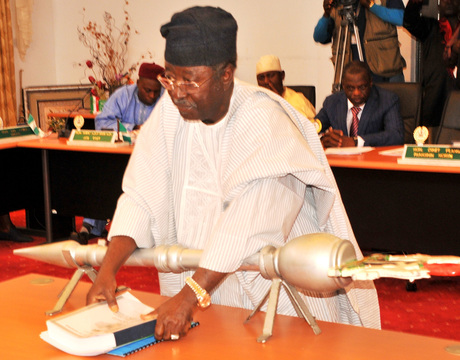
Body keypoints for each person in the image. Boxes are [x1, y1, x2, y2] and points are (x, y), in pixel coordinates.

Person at [87, 6, 380, 341]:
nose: (177, 91)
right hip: (204, 298)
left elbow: (249, 220)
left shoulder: (263, 118)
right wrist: (107, 270)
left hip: (278, 301)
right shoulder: (170, 111)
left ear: (226, 74)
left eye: (189, 80)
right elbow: (142, 193)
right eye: (170, 77)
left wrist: (188, 295)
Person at [71, 62, 165, 244]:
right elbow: (102, 123)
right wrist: (134, 128)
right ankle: (90, 227)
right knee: (102, 173)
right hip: (119, 156)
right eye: (147, 90)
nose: (152, 95)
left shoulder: (166, 99)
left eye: (156, 91)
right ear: (138, 83)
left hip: (152, 160)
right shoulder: (123, 95)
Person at [403, 0, 459, 141]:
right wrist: (415, 3)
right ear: (438, 6)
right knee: (432, 143)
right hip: (435, 97)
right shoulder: (431, 27)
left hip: (457, 94)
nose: (449, 2)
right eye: (445, 0)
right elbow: (409, 21)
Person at [313, 0, 406, 83]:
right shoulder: (339, 4)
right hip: (351, 78)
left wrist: (371, 5)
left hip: (385, 74)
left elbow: (402, 19)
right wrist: (326, 14)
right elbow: (319, 37)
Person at [317, 60, 404, 148]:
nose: (356, 93)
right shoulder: (332, 102)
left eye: (362, 87)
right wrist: (324, 139)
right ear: (343, 85)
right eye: (350, 88)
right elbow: (311, 129)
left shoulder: (387, 100)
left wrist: (356, 142)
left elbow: (396, 135)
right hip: (340, 159)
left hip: (371, 159)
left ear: (370, 83)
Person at [256, 55, 316, 121]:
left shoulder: (298, 100)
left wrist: (280, 103)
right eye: (261, 77)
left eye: (270, 75)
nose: (266, 81)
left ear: (282, 75)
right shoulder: (254, 103)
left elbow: (310, 128)